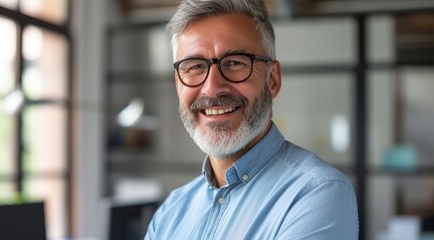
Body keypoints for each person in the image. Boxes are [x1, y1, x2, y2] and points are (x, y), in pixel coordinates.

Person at [144, 0, 359, 239]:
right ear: (178, 85)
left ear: (273, 80)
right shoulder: (171, 211)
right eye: (194, 66)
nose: (212, 88)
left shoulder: (317, 193)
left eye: (235, 62)